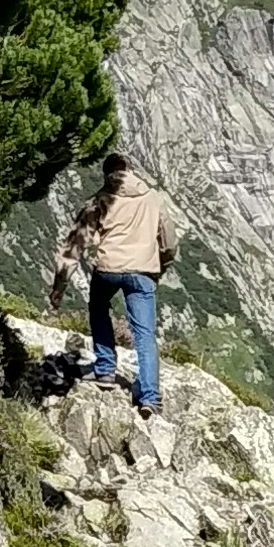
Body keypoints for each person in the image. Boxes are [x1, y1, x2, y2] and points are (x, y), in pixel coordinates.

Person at [50, 153, 181, 418]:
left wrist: (57, 290)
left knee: (98, 308)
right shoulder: (152, 198)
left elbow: (73, 249)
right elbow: (169, 242)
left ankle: (106, 370)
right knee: (144, 333)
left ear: (106, 174)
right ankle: (150, 398)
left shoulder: (99, 199)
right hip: (142, 272)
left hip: (108, 268)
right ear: (130, 171)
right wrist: (161, 265)